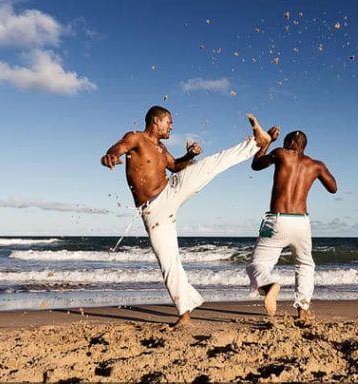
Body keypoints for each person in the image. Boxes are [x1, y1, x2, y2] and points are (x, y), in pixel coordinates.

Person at [101, 106, 271, 326]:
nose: (171, 126)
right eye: (169, 122)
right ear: (156, 121)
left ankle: (256, 143)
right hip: (154, 211)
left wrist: (190, 155)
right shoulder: (136, 138)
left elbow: (176, 167)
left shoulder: (161, 148)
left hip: (171, 189)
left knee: (210, 166)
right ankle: (185, 313)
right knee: (169, 262)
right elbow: (120, 147)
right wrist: (111, 155)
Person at [246, 119, 337, 320]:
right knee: (305, 265)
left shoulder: (280, 153)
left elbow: (256, 164)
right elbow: (333, 188)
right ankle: (303, 310)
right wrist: (318, 171)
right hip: (301, 222)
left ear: (290, 144)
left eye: (286, 142)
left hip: (278, 219)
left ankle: (269, 285)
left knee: (257, 264)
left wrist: (268, 141)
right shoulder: (316, 165)